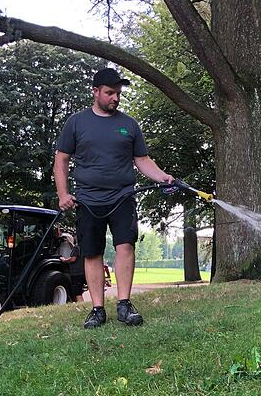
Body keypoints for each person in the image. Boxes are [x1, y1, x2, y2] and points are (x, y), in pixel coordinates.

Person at [53, 67, 173, 329]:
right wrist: (63, 194)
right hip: (87, 200)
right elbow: (61, 159)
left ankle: (124, 305)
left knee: (125, 246)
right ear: (95, 92)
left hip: (123, 197)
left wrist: (162, 176)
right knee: (92, 252)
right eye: (110, 93)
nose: (115, 98)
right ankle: (97, 309)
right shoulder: (76, 122)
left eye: (118, 94)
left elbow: (142, 160)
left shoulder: (129, 124)